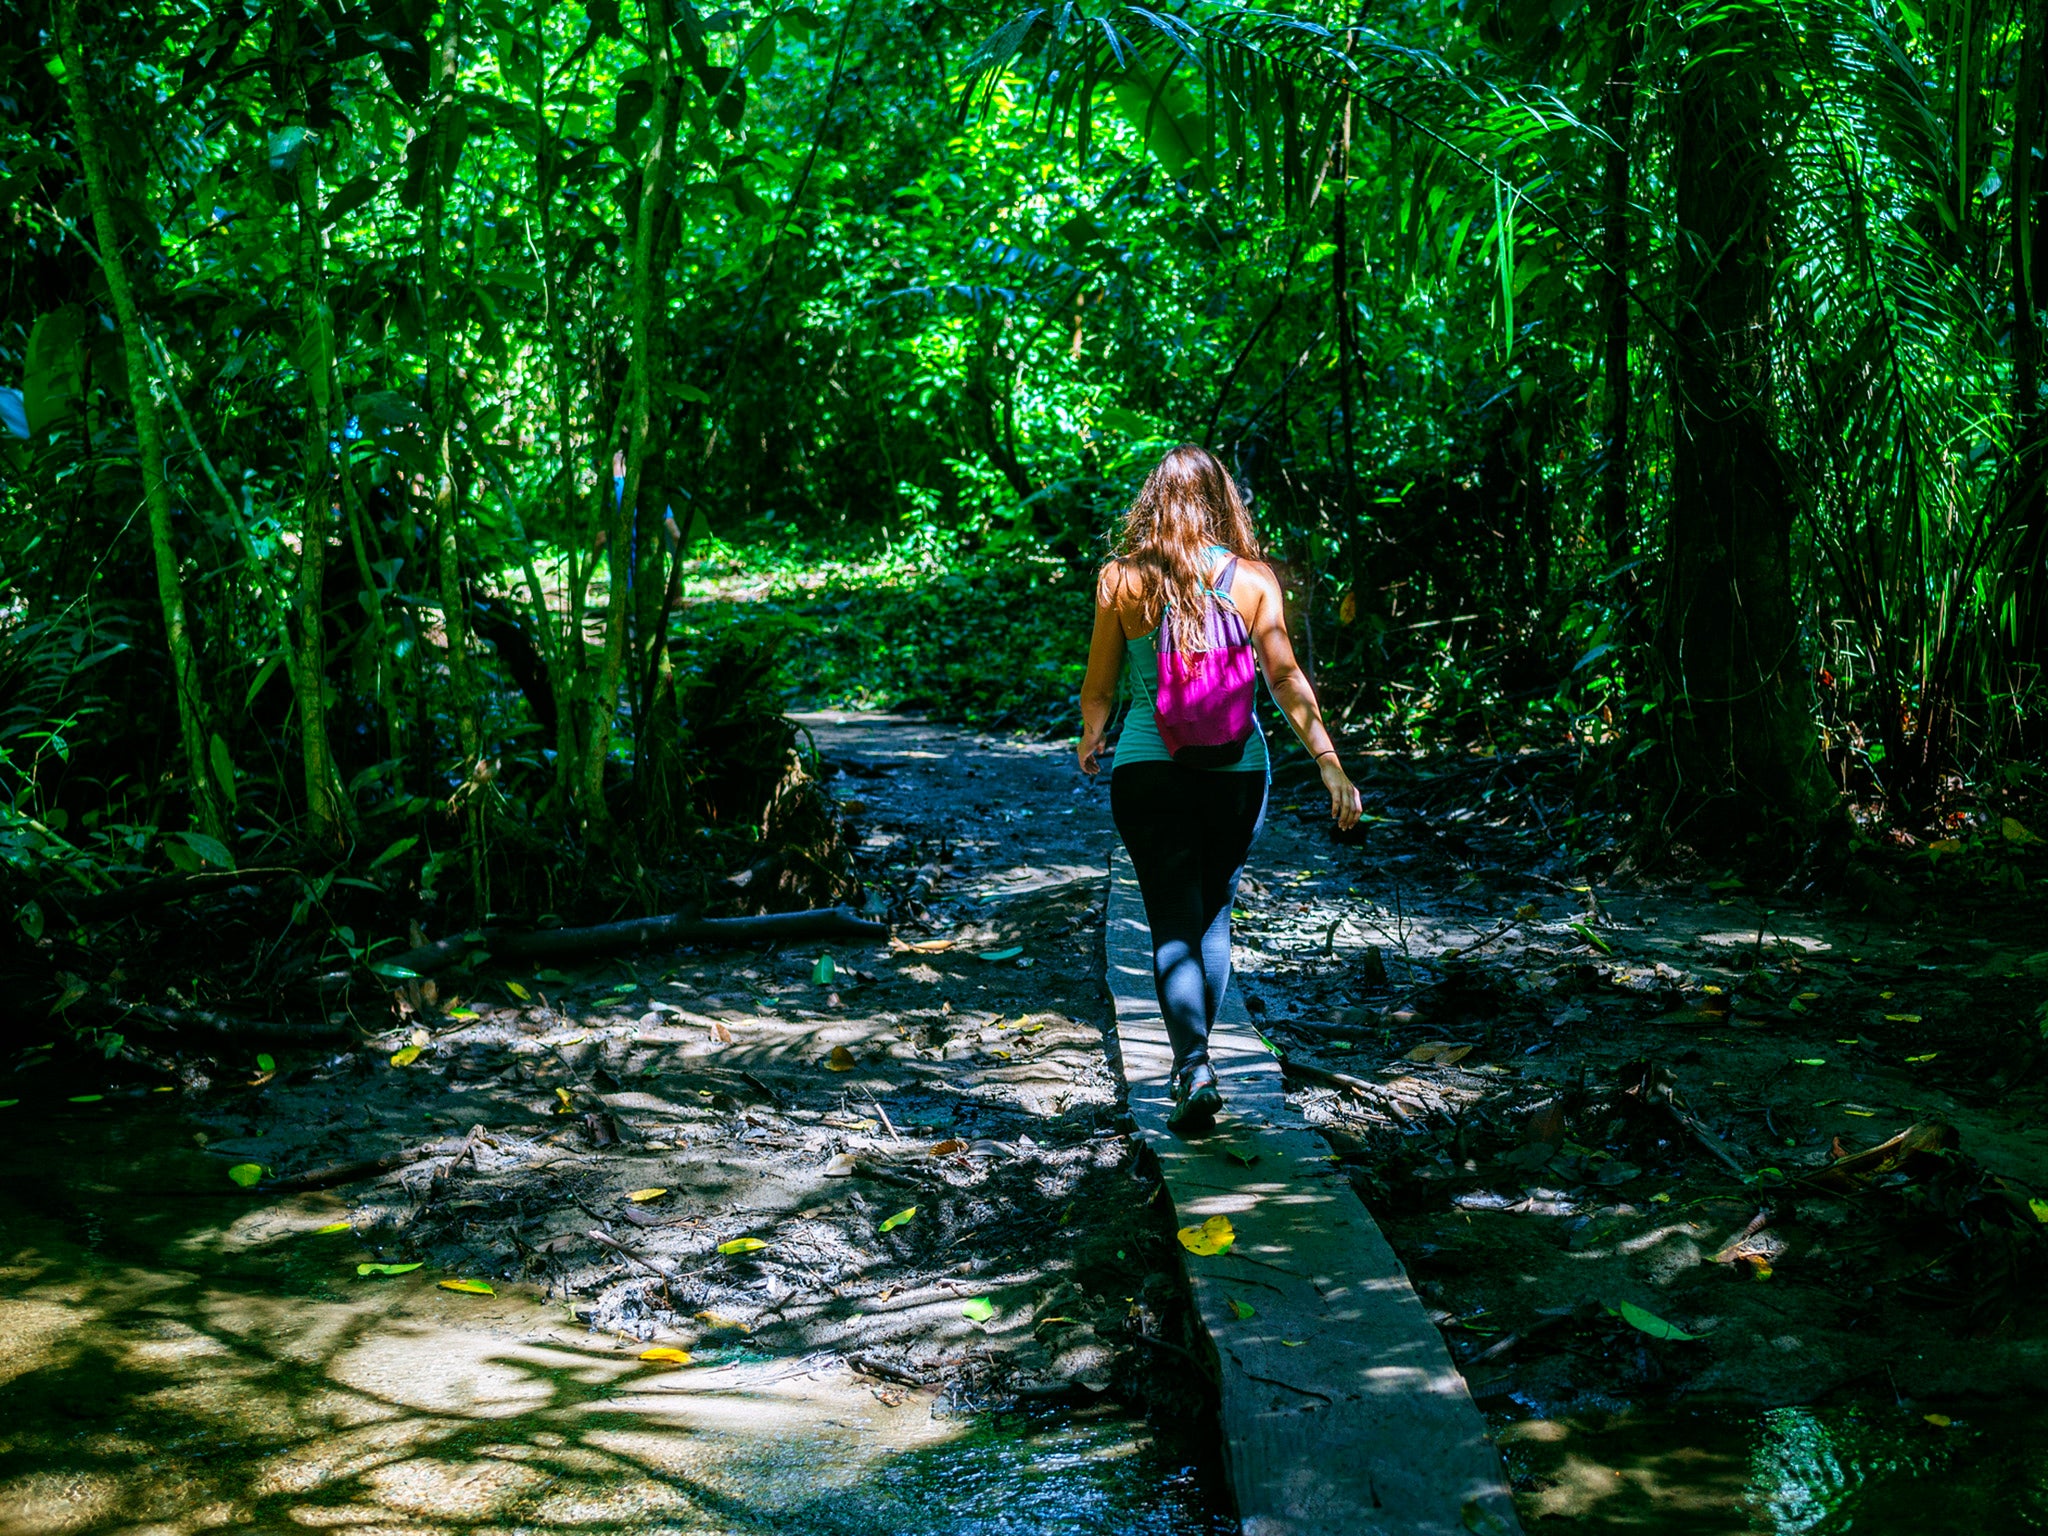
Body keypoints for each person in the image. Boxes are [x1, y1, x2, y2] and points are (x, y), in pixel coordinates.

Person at [1078, 444, 1362, 1130]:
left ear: (1152, 501)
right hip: (1238, 773)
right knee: (1212, 918)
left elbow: (1101, 686)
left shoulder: (1120, 580)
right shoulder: (1255, 579)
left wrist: (1091, 736)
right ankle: (1198, 1061)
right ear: (1219, 501)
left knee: (1169, 921)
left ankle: (1192, 1067)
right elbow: (1286, 680)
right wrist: (1329, 760)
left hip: (1147, 772)